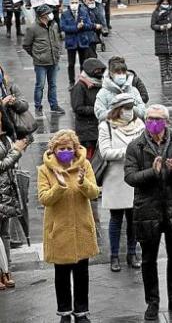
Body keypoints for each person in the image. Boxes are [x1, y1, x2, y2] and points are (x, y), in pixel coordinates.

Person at [123, 104, 172, 320]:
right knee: (148, 259)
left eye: (158, 118)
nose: (154, 122)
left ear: (166, 121)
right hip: (148, 209)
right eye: (150, 118)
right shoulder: (136, 146)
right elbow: (130, 177)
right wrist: (151, 173)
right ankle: (152, 302)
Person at [37, 130, 99, 322]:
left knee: (82, 274)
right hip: (59, 231)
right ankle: (64, 312)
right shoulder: (44, 170)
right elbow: (44, 199)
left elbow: (94, 193)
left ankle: (81, 311)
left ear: (75, 149)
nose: (65, 151)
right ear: (53, 150)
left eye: (69, 148)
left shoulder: (85, 165)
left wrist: (82, 183)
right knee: (61, 276)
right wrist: (60, 186)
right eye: (61, 148)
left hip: (82, 228)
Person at [98, 94, 145, 272]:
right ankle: (114, 256)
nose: (129, 111)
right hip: (115, 179)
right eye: (125, 108)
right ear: (117, 110)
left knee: (134, 219)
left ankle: (132, 254)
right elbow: (105, 152)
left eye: (131, 107)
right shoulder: (106, 126)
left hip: (135, 177)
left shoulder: (139, 124)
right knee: (116, 220)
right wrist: (129, 151)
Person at [0, 112, 28, 291]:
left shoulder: (5, 137)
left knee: (5, 234)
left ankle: (6, 269)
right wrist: (16, 151)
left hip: (6, 192)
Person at [22, 5, 66, 117]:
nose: (51, 14)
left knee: (53, 85)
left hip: (53, 61)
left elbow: (57, 40)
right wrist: (36, 55)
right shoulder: (32, 28)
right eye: (48, 13)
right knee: (40, 85)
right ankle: (38, 106)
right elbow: (26, 45)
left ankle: (54, 105)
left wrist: (57, 53)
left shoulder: (53, 25)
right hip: (40, 63)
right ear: (42, 16)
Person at [71, 59, 107, 158]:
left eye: (100, 70)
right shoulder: (80, 87)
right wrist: (97, 110)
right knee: (88, 157)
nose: (99, 73)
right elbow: (78, 108)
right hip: (87, 130)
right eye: (96, 70)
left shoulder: (101, 84)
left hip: (97, 126)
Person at [60, 0, 94, 88]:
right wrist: (76, 28)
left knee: (84, 63)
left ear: (79, 3)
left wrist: (83, 26)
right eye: (72, 2)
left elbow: (89, 25)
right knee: (71, 64)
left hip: (82, 41)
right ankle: (71, 82)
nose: (74, 4)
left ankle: (83, 81)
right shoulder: (65, 14)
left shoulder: (83, 12)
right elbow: (63, 27)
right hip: (71, 42)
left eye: (75, 2)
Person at [151, 0, 172, 83]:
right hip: (161, 41)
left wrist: (171, 25)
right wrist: (160, 27)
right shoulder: (156, 13)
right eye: (163, 3)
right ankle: (164, 78)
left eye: (166, 3)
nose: (165, 4)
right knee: (163, 62)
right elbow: (153, 25)